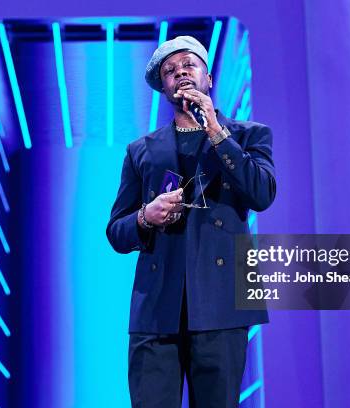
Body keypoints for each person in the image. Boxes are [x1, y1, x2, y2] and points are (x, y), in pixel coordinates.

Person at [106, 35, 276, 408]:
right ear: (163, 87)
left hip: (222, 303)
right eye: (170, 71)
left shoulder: (249, 135)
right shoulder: (141, 150)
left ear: (208, 77)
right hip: (156, 308)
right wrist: (144, 216)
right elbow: (116, 231)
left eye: (189, 65)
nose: (180, 72)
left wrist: (216, 130)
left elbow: (262, 194)